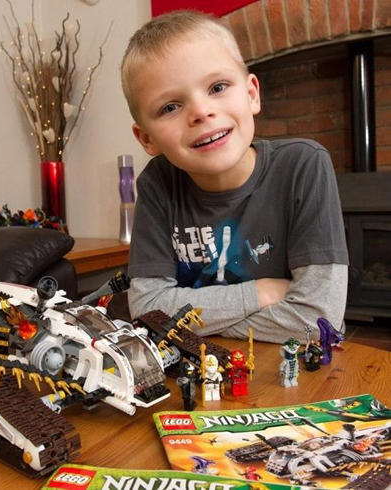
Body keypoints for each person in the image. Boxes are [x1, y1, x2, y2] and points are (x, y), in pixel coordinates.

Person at [120, 10, 348, 343]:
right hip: (201, 364)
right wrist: (258, 293)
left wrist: (187, 325)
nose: (201, 112)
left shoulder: (304, 164)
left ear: (252, 94)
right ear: (147, 138)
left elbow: (317, 320)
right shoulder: (156, 184)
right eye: (170, 107)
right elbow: (147, 310)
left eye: (217, 87)